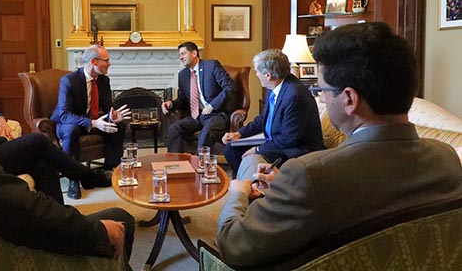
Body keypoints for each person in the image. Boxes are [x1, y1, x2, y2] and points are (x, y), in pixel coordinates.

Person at [216, 22, 462, 268]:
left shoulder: (310, 175)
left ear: (349, 99)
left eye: (321, 89)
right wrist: (288, 191)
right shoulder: (447, 158)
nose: (320, 97)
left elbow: (233, 246)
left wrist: (238, 192)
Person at [0, 27, 135, 268]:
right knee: (120, 217)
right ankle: (88, 178)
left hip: (9, 204)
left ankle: (69, 205)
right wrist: (94, 231)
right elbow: (15, 204)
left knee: (42, 162)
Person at [0, 52, 113, 203]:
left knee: (43, 165)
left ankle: (58, 216)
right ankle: (87, 177)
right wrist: (2, 140)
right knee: (37, 140)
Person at [222, 49, 324, 176]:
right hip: (276, 140)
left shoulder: (294, 95)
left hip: (296, 148)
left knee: (249, 157)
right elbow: (263, 118)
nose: (257, 74)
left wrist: (258, 149)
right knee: (231, 149)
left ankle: (255, 187)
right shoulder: (275, 86)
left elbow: (289, 138)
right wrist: (239, 134)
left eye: (257, 72)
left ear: (268, 75)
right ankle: (247, 183)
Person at [51, 45, 130, 199]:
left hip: (91, 120)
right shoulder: (69, 81)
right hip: (66, 123)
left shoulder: (104, 80)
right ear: (94, 61)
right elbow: (65, 115)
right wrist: (93, 123)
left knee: (119, 125)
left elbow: (107, 108)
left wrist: (112, 117)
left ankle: (108, 171)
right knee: (71, 129)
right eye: (106, 60)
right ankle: (73, 177)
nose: (110, 64)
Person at [161, 41, 235, 153]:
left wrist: (212, 105)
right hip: (197, 116)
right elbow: (183, 100)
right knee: (174, 128)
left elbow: (230, 87)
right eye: (179, 55)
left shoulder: (211, 66)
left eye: (183, 53)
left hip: (217, 114)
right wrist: (171, 104)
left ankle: (200, 165)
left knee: (206, 132)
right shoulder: (183, 75)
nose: (180, 58)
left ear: (194, 53)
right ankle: (176, 163)